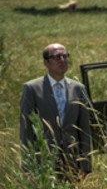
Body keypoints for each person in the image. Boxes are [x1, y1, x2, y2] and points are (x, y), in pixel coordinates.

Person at [19, 43, 93, 179]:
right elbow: (26, 129)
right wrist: (27, 166)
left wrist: (86, 164)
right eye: (58, 57)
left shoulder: (78, 88)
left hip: (72, 160)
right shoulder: (32, 88)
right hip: (43, 160)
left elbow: (84, 129)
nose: (63, 60)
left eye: (65, 56)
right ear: (46, 63)